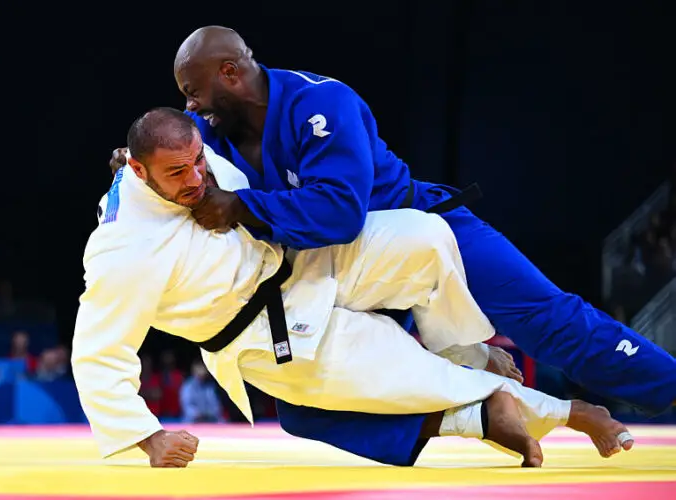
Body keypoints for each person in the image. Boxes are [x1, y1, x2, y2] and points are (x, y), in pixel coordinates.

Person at [109, 25, 676, 416]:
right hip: (338, 275)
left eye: (193, 91)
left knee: (548, 319)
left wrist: (244, 206)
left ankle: (667, 384)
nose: (190, 107)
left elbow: (339, 212)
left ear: (230, 72)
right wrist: (130, 171)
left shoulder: (322, 104)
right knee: (308, 410)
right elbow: (168, 150)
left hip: (419, 227)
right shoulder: (209, 130)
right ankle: (472, 362)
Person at [76, 107, 633, 469]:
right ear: (143, 175)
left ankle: (468, 351)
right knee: (420, 376)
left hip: (305, 263)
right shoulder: (122, 249)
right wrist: (149, 438)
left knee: (427, 235)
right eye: (178, 174)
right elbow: (99, 353)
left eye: (198, 161)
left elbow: (175, 149)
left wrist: (159, 162)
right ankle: (570, 413)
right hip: (269, 338)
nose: (197, 178)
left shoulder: (168, 158)